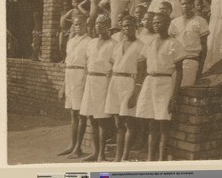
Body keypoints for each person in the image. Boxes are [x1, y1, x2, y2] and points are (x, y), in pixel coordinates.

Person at [136, 13, 186, 161]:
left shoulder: (175, 44)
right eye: (155, 23)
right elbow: (142, 62)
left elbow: (180, 71)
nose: (157, 25)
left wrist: (174, 96)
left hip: (165, 83)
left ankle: (161, 160)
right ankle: (151, 159)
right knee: (151, 123)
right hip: (150, 81)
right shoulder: (150, 42)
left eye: (161, 23)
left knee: (163, 123)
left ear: (168, 24)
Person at [68, 14, 116, 162]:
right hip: (89, 80)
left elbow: (116, 64)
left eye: (102, 24)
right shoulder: (92, 43)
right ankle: (95, 152)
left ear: (108, 26)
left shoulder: (114, 44)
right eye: (96, 24)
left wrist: (111, 73)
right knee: (91, 118)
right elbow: (87, 62)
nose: (98, 27)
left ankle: (101, 154)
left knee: (101, 119)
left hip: (103, 82)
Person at [104, 15, 145, 162]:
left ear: (136, 28)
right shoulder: (117, 45)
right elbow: (114, 64)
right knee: (118, 123)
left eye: (130, 26)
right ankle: (117, 156)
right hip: (115, 82)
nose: (127, 28)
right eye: (125, 26)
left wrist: (135, 92)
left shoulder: (141, 46)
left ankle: (125, 156)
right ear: (122, 28)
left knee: (129, 122)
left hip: (129, 83)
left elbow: (141, 72)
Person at [57, 16, 92, 156]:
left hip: (80, 75)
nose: (77, 27)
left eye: (79, 24)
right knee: (73, 113)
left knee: (81, 113)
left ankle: (78, 147)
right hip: (69, 74)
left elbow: (88, 64)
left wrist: (84, 84)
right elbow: (67, 64)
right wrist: (63, 86)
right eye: (75, 25)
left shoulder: (89, 41)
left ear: (85, 25)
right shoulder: (71, 41)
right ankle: (72, 145)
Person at [168, 0, 209, 86]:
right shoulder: (175, 22)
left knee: (184, 88)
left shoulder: (201, 21)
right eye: (183, 4)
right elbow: (171, 44)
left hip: (191, 60)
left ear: (193, 5)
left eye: (188, 3)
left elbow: (204, 46)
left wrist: (200, 67)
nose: (185, 6)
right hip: (176, 62)